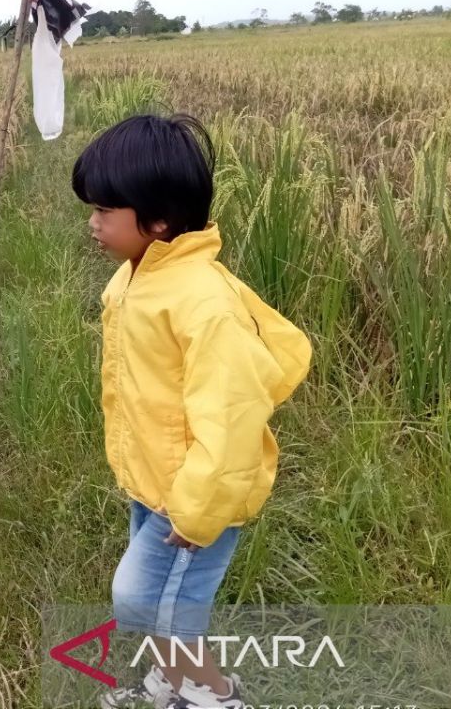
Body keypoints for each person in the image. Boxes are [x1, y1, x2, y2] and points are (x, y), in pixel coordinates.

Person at [71, 114, 312, 708]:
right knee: (159, 602)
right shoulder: (135, 278)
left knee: (149, 601)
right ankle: (172, 682)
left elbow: (232, 417)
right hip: (157, 482)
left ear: (157, 221)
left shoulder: (203, 303)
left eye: (104, 210)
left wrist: (198, 510)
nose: (92, 223)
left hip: (196, 494)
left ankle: (213, 696)